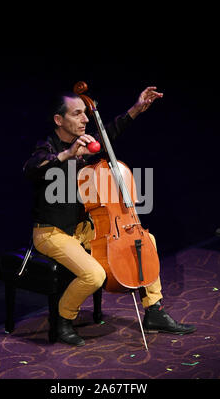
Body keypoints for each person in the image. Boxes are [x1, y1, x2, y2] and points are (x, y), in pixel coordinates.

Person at [23, 86, 196, 346]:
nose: (85, 119)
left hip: (82, 230)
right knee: (94, 275)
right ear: (59, 120)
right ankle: (62, 320)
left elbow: (110, 131)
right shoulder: (47, 147)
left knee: (147, 243)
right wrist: (67, 155)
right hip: (51, 232)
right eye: (77, 114)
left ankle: (154, 311)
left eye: (85, 114)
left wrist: (136, 109)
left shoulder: (86, 145)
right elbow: (32, 169)